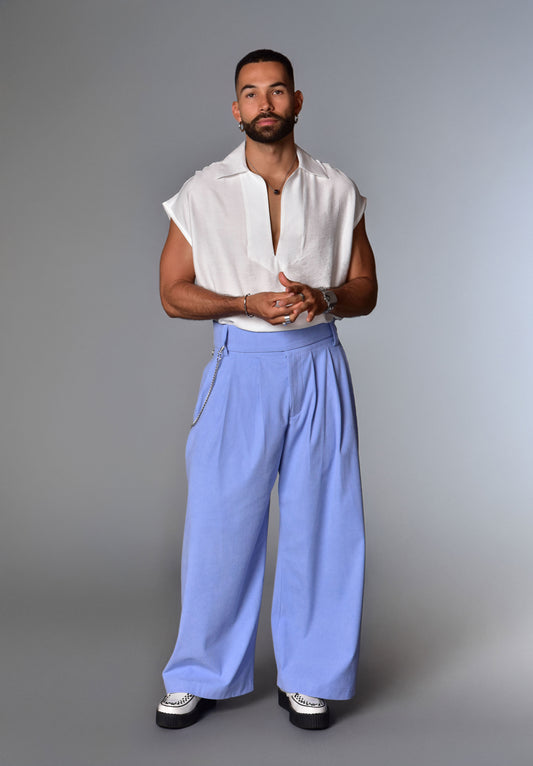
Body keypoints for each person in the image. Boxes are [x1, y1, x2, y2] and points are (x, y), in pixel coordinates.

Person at [156, 49, 377, 731]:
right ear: (236, 109)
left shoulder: (336, 187)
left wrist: (325, 296)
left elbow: (366, 289)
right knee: (219, 525)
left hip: (317, 364)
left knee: (325, 525)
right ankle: (200, 673)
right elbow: (172, 293)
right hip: (241, 366)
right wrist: (243, 302)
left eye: (276, 90)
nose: (264, 103)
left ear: (297, 101)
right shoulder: (202, 190)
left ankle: (309, 675)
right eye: (250, 93)